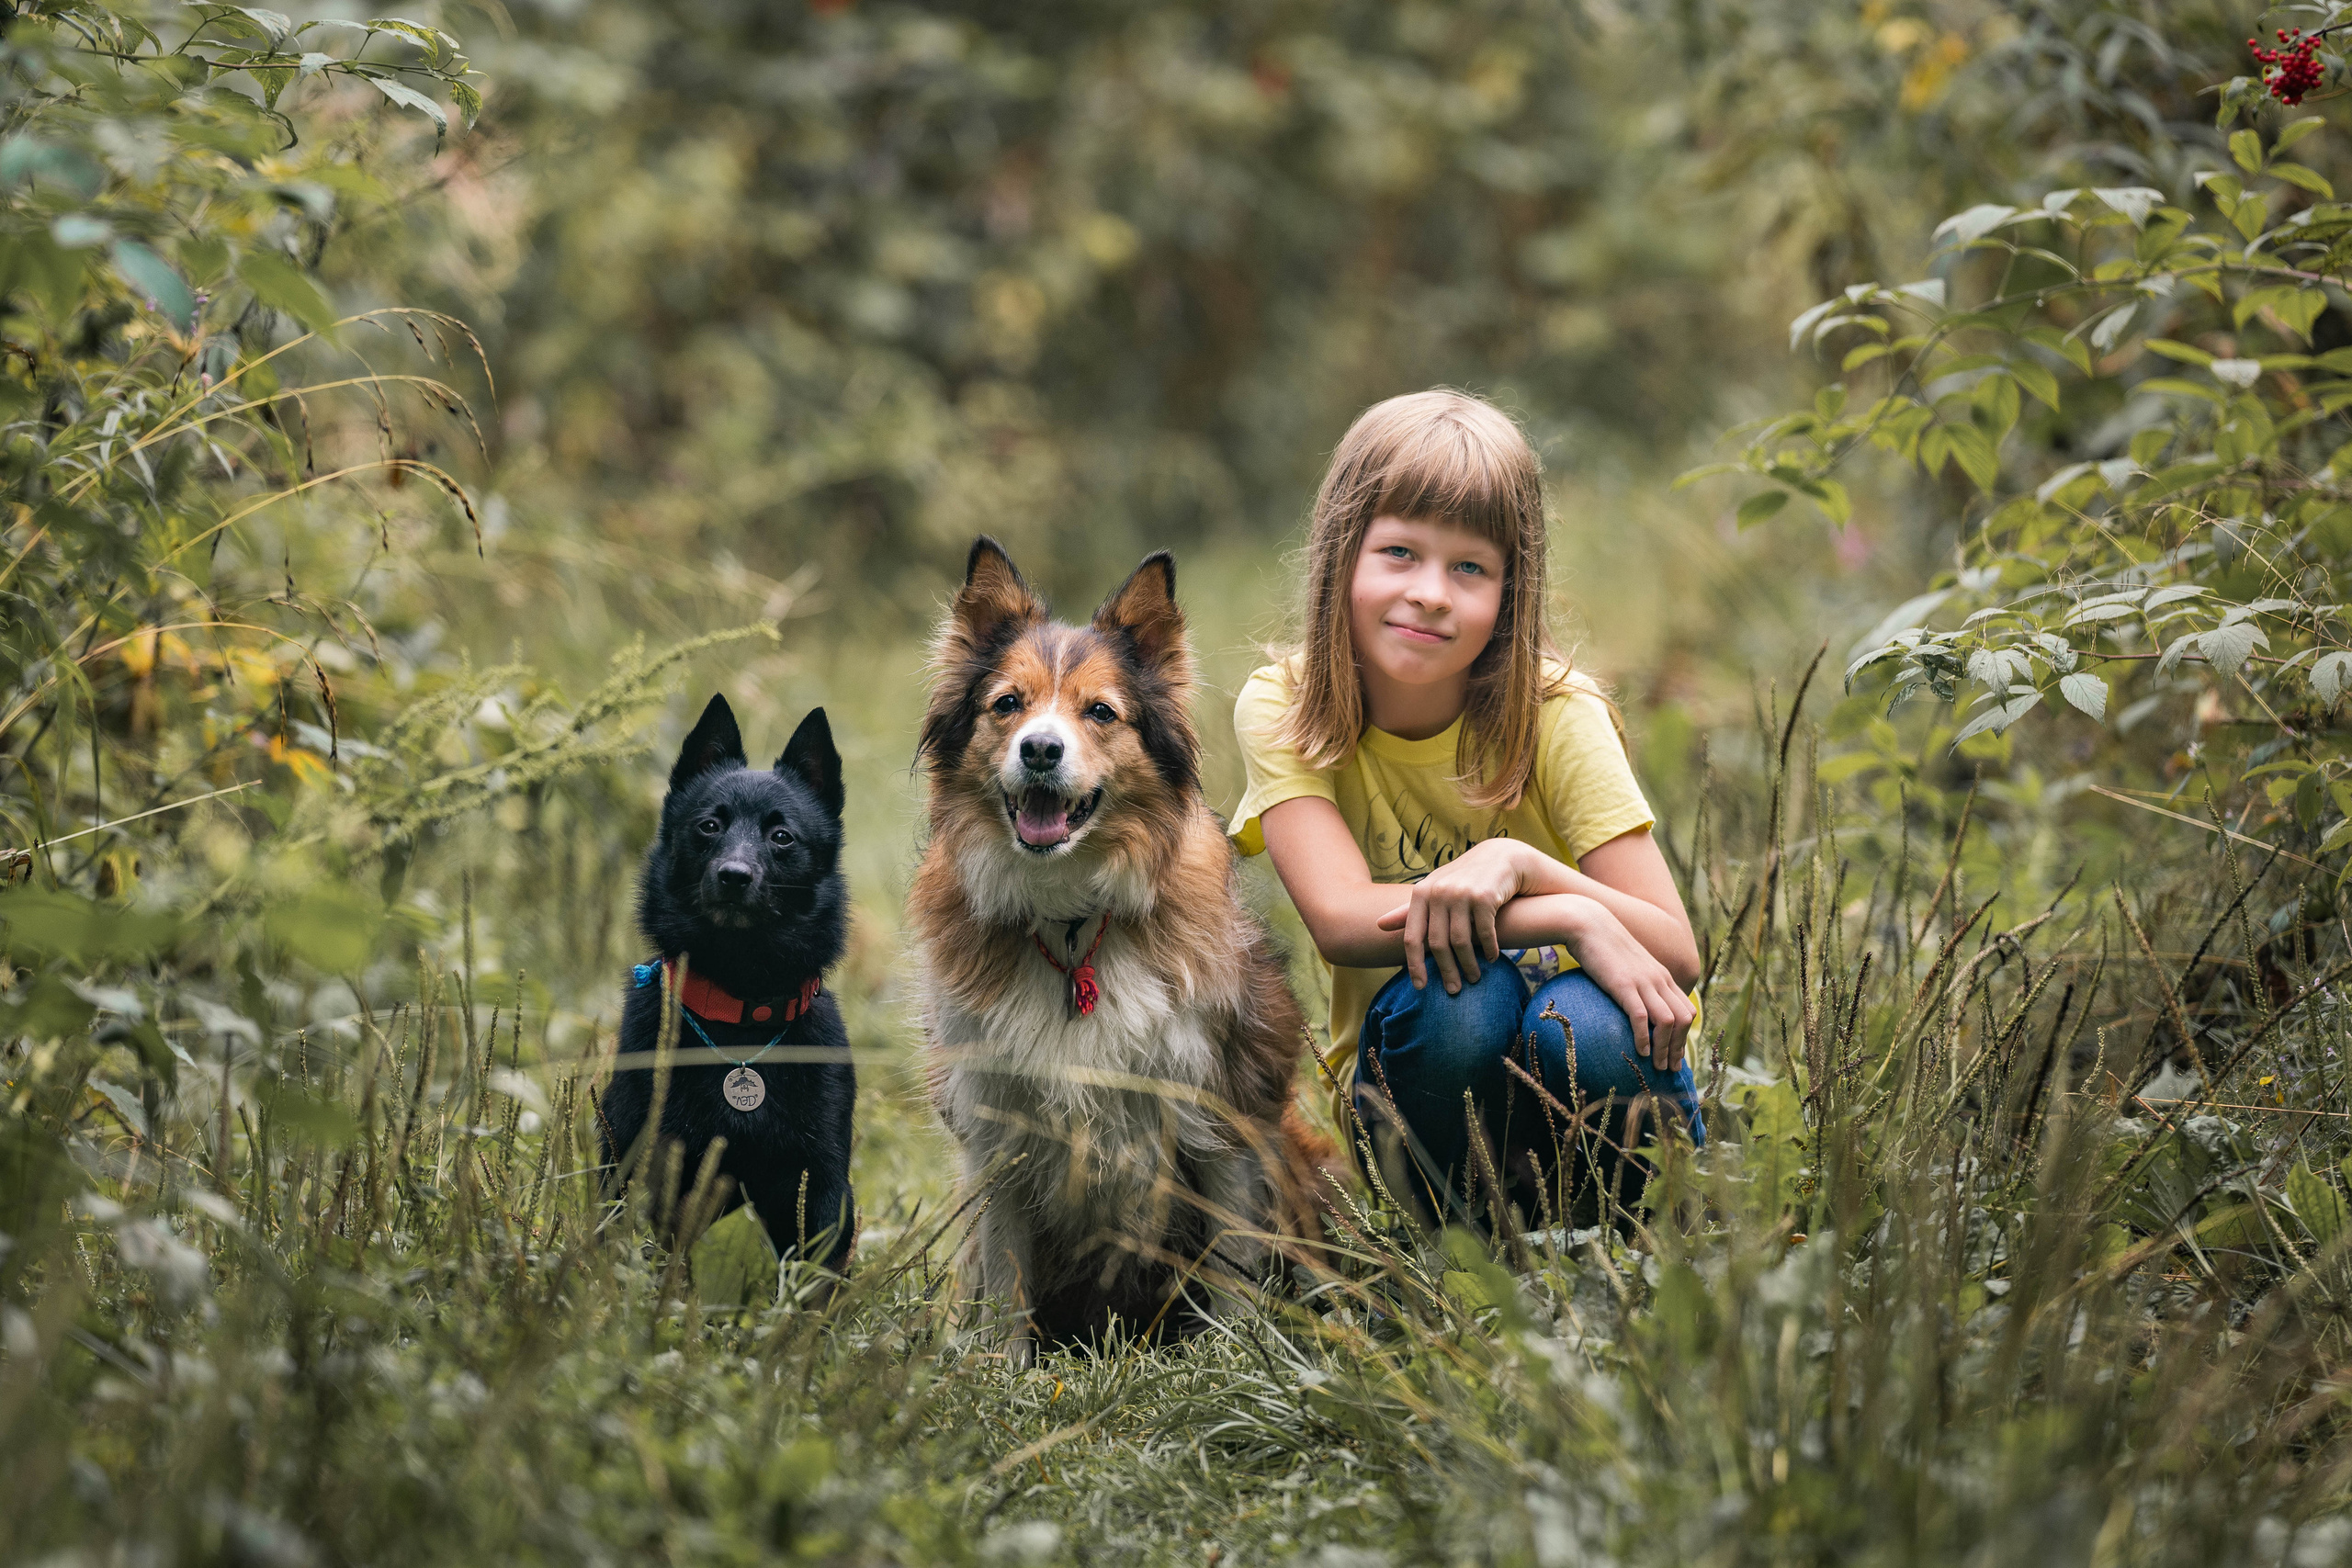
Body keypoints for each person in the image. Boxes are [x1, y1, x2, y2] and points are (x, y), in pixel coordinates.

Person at [1230, 389, 1704, 1231]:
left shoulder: (1558, 712)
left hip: (1593, 1077)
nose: (1432, 594)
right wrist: (1567, 913)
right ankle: (1473, 1248)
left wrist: (1526, 865)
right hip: (1425, 1093)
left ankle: (1627, 1241)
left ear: (1510, 591)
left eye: (1470, 568)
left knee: (1584, 1026)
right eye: (1401, 552)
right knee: (1460, 996)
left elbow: (1674, 948)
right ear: (1342, 556)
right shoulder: (1287, 704)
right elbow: (1342, 919)